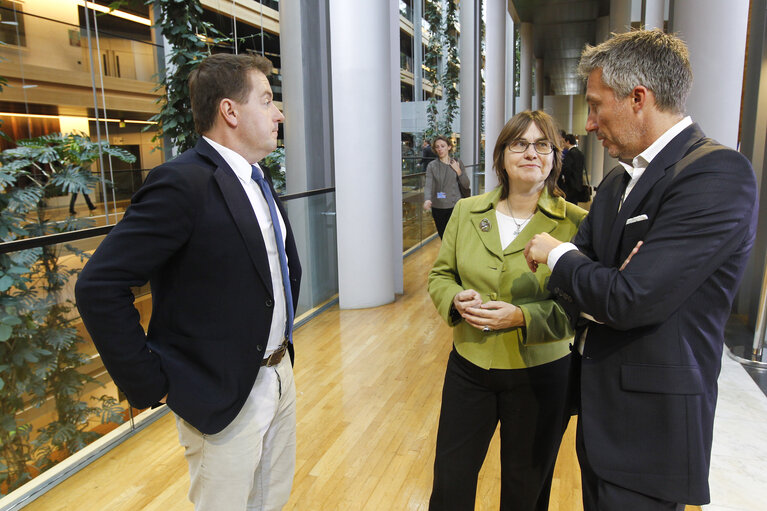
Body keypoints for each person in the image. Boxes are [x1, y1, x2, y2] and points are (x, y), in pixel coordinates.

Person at [523, 30, 758, 510]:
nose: (588, 124)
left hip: (651, 435)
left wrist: (556, 254)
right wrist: (600, 281)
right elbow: (595, 291)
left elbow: (627, 298)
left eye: (594, 105)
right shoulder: (616, 181)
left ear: (637, 98)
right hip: (600, 414)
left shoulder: (716, 174)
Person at [75, 53, 301, 510]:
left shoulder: (256, 178)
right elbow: (99, 286)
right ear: (230, 111)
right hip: (219, 394)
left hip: (277, 376)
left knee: (270, 502)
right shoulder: (181, 183)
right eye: (267, 100)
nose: (278, 114)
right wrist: (153, 382)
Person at [427, 111, 587, 510]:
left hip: (540, 374)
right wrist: (454, 298)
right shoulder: (467, 212)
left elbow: (580, 305)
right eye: (519, 144)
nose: (530, 153)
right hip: (469, 366)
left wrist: (522, 317)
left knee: (526, 485)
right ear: (501, 155)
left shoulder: (575, 225)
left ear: (554, 156)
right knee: (452, 477)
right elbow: (441, 275)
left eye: (542, 144)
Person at [422, 135, 469, 238]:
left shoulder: (457, 163)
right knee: (444, 238)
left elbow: (466, 184)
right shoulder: (432, 166)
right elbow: (428, 185)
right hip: (438, 207)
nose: (440, 149)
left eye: (442, 146)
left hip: (455, 207)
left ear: (449, 147)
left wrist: (458, 170)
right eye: (437, 147)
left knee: (456, 238)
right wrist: (427, 199)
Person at [557, 134, 586, 204]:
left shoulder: (570, 154)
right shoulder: (580, 153)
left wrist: (564, 178)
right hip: (578, 183)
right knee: (575, 204)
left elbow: (567, 168)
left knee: (569, 203)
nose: (563, 144)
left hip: (570, 184)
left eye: (564, 142)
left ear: (568, 142)